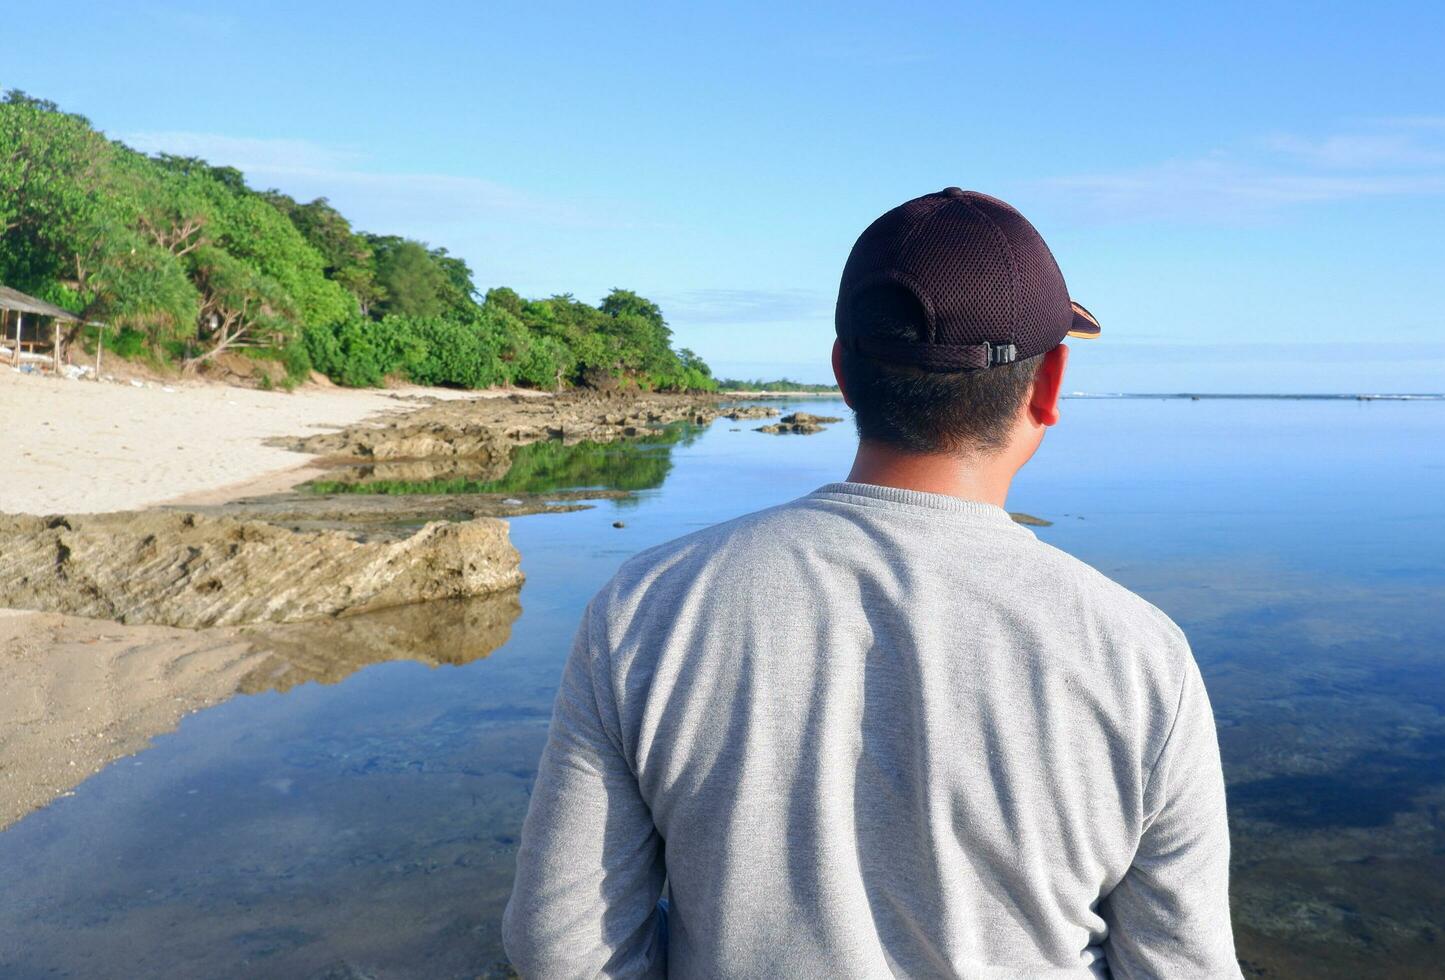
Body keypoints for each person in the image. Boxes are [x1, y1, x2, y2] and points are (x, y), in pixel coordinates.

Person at [503, 188, 1241, 978]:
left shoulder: (647, 606)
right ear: (1048, 384)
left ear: (842, 373)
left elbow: (560, 948)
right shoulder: (1137, 654)